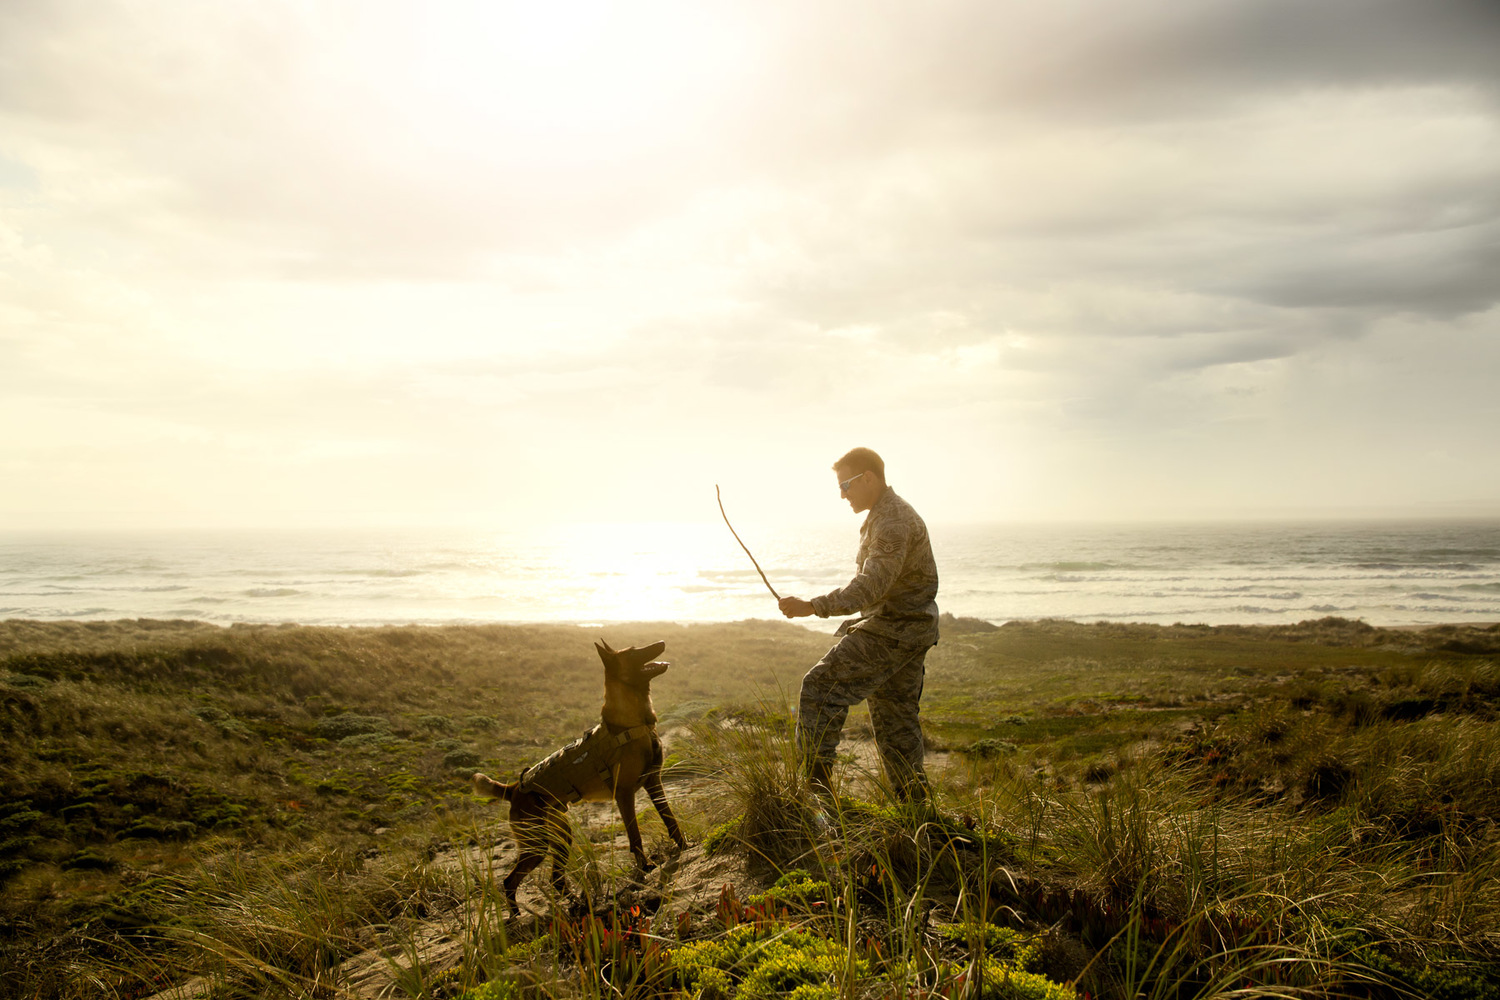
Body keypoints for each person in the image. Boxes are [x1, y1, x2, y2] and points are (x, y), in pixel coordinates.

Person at [778, 447, 939, 802]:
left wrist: (812, 606)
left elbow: (872, 585)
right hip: (907, 631)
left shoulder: (893, 520)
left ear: (869, 478)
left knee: (819, 687)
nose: (842, 494)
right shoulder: (884, 516)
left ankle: (817, 798)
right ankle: (916, 810)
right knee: (896, 723)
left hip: (895, 631)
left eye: (846, 485)